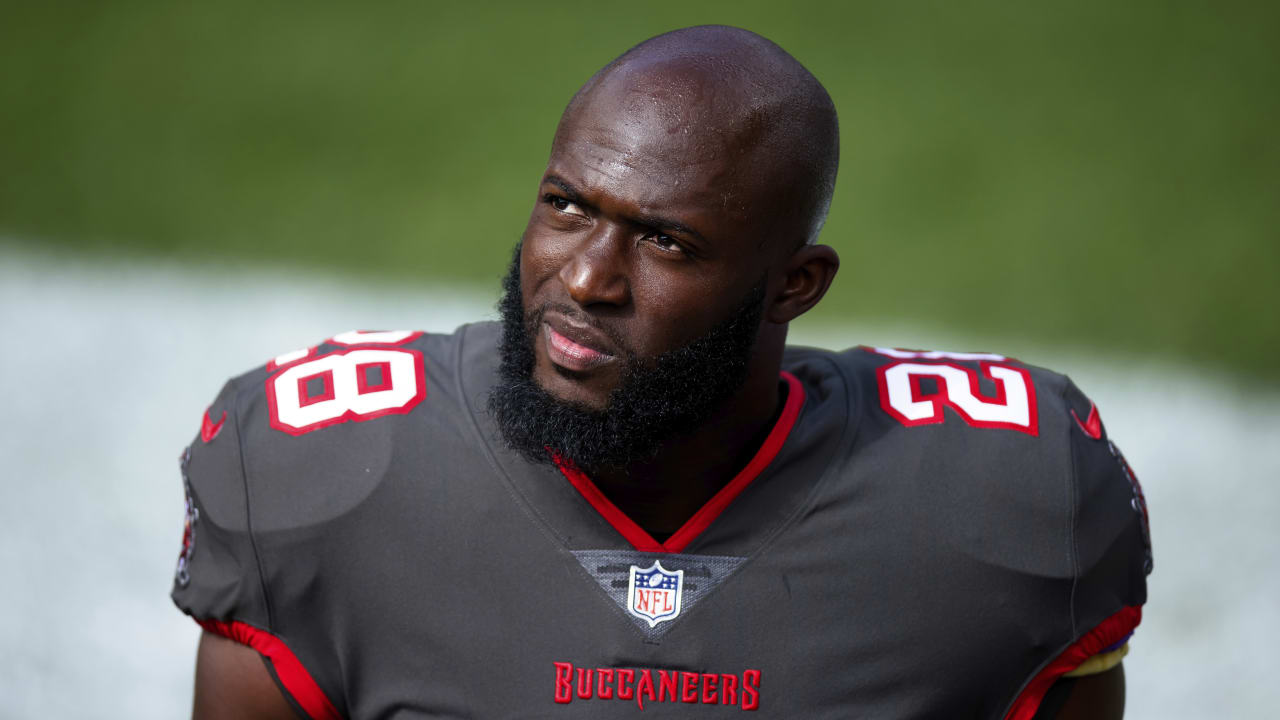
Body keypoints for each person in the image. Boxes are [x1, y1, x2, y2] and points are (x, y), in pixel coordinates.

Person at [173, 25, 1151, 719]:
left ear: (794, 285)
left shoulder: (1015, 501)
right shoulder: (317, 473)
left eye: (665, 242)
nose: (585, 279)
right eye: (566, 206)